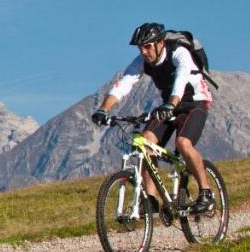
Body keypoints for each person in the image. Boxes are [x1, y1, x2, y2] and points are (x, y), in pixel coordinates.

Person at [91, 22, 215, 214]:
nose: (143, 52)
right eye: (140, 48)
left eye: (147, 46)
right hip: (169, 106)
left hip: (194, 102)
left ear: (160, 43)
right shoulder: (142, 62)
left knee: (183, 142)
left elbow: (181, 78)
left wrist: (172, 104)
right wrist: (103, 109)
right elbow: (124, 84)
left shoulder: (179, 53)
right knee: (145, 141)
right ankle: (150, 199)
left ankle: (206, 193)